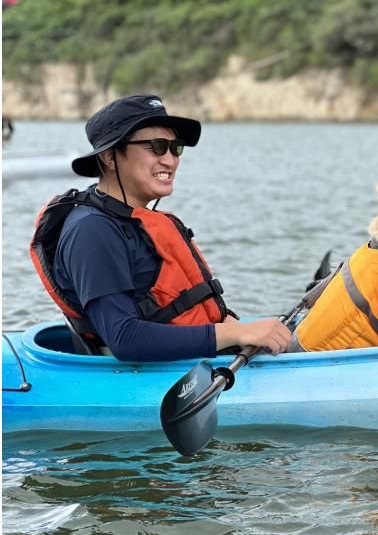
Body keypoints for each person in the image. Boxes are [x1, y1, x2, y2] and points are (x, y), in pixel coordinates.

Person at [30, 94, 291, 361]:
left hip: (199, 355)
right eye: (156, 147)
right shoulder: (92, 230)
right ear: (109, 156)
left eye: (175, 148)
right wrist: (235, 335)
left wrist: (235, 328)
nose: (170, 160)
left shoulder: (131, 220)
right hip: (152, 376)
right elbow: (124, 338)